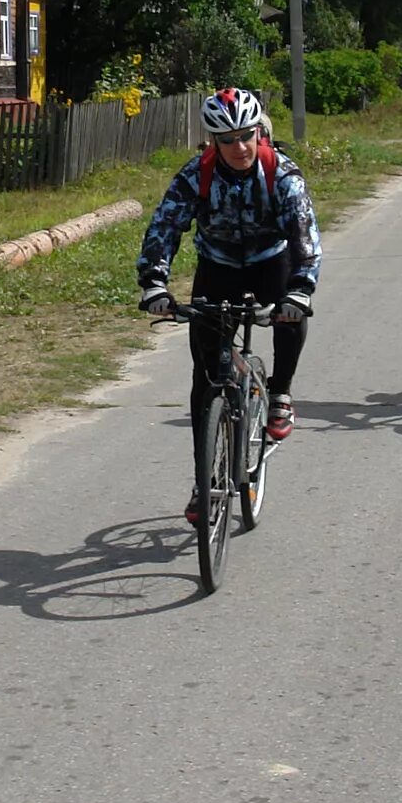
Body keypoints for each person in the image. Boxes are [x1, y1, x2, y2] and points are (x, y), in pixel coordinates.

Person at [137, 87, 321, 518]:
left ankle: (280, 393)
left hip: (270, 261)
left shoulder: (283, 175)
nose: (239, 147)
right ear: (212, 142)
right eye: (227, 140)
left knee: (289, 317)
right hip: (217, 266)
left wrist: (300, 289)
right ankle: (205, 483)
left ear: (259, 132)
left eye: (246, 135)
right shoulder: (195, 176)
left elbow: (306, 238)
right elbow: (164, 226)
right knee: (205, 380)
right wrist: (155, 285)